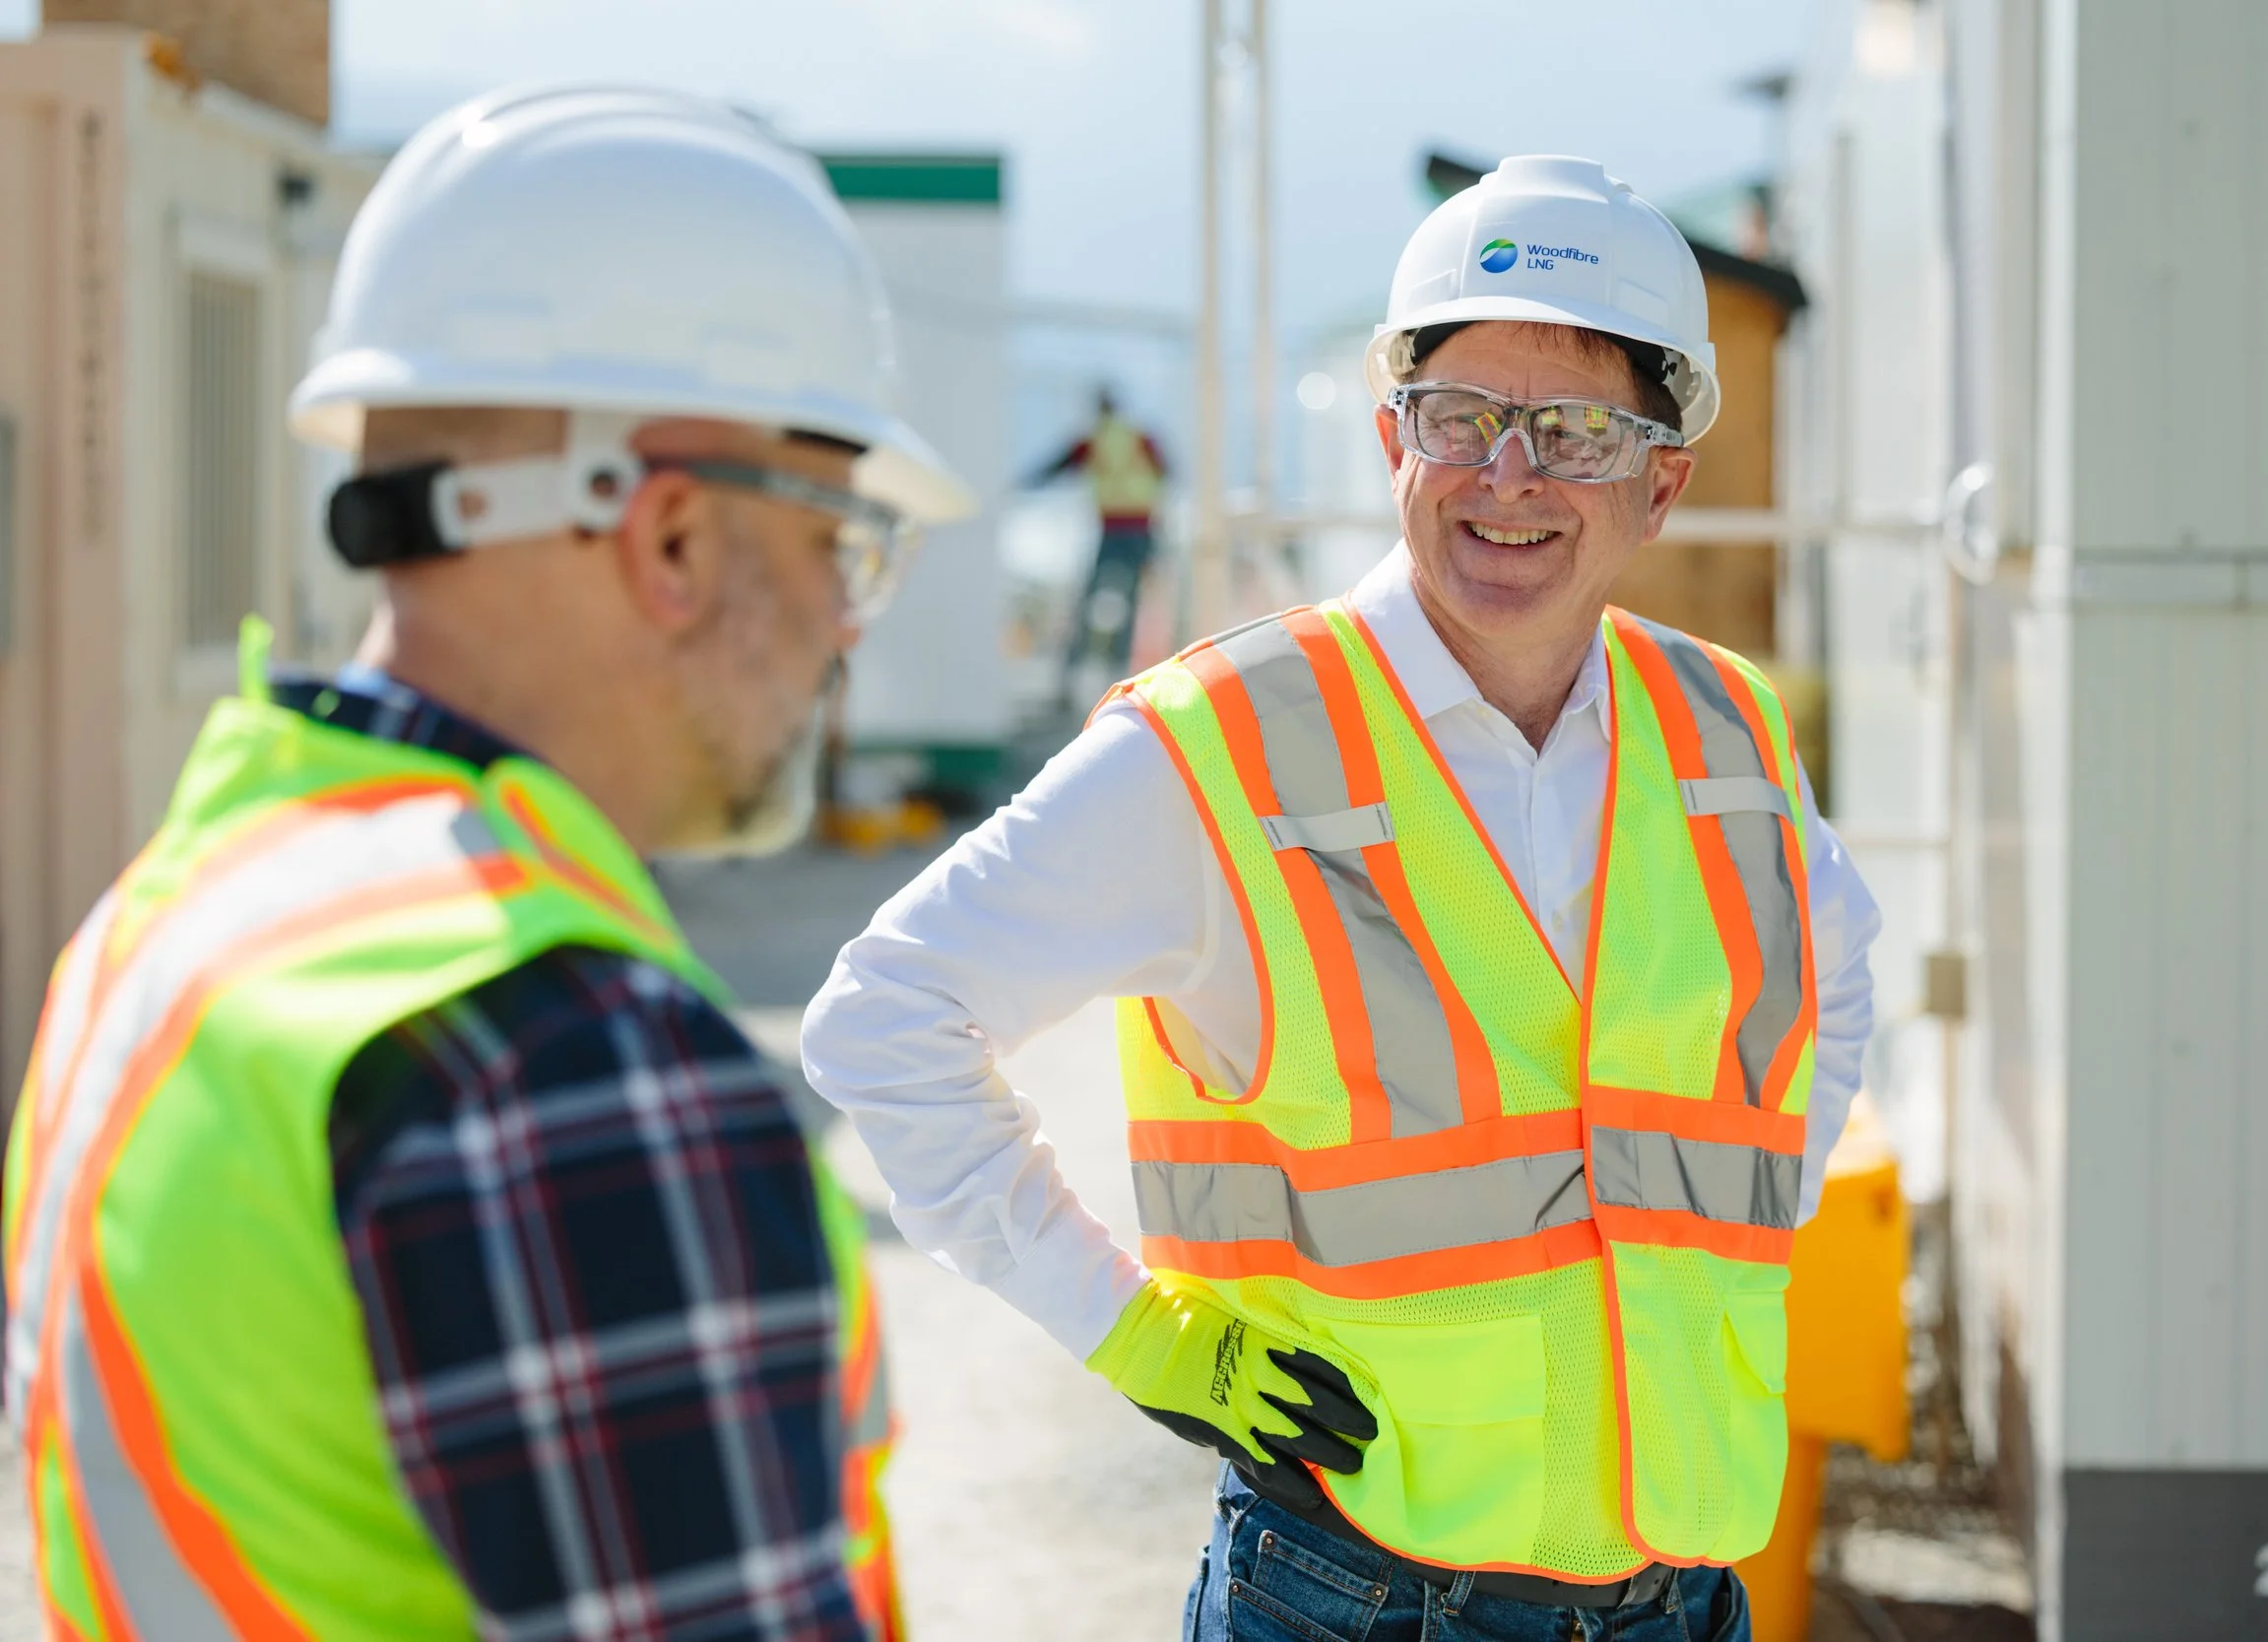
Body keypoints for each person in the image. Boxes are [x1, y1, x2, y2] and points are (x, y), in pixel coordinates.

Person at [804, 155, 1882, 1641]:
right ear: (1394, 435)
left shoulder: (1731, 734)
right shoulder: (1222, 743)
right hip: (1361, 1594)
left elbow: (1835, 996)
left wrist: (1715, 1265)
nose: (1510, 474)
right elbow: (884, 1018)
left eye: (1573, 431)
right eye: (1463, 419)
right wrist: (1131, 1332)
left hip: (1677, 1595)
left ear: (1663, 481)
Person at [3, 86, 970, 1641]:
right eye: (838, 548)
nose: (848, 628)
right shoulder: (561, 1052)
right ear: (667, 542)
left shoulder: (180, 909)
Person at [1028, 384, 1170, 688]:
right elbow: (1166, 472)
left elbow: (1059, 464)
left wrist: (1025, 483)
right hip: (1141, 530)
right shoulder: (1139, 437)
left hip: (1113, 529)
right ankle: (1121, 673)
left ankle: (1070, 677)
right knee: (1130, 603)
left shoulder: (1096, 439)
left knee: (1088, 601)